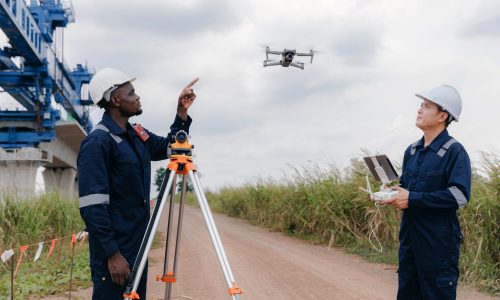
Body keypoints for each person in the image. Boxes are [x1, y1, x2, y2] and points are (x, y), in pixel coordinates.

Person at [77, 67, 198, 299]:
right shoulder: (98, 142)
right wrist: (112, 254)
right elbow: (92, 206)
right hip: (116, 252)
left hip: (138, 245)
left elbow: (171, 147)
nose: (137, 97)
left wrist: (181, 112)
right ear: (115, 100)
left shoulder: (137, 134)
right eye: (131, 93)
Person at [383, 84, 472, 300]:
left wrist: (412, 198)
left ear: (442, 116)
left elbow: (459, 196)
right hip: (410, 241)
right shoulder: (412, 151)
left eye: (426, 106)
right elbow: (405, 189)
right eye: (420, 105)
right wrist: (389, 195)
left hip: (438, 246)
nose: (419, 110)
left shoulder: (455, 151)